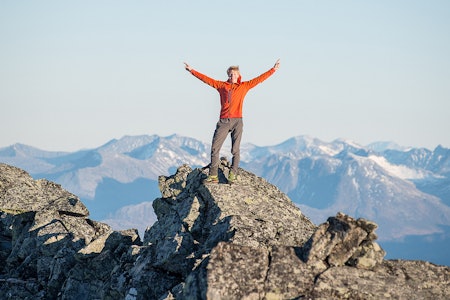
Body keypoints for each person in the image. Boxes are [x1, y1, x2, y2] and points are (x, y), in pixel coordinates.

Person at [184, 59, 280, 183]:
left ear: (239, 75)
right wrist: (192, 70)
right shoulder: (222, 86)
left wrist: (273, 70)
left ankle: (232, 174)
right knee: (214, 149)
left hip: (237, 122)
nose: (232, 76)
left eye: (234, 74)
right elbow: (207, 80)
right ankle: (213, 176)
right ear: (228, 76)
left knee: (235, 150)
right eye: (230, 74)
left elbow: (259, 79)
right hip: (223, 121)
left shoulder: (244, 86)